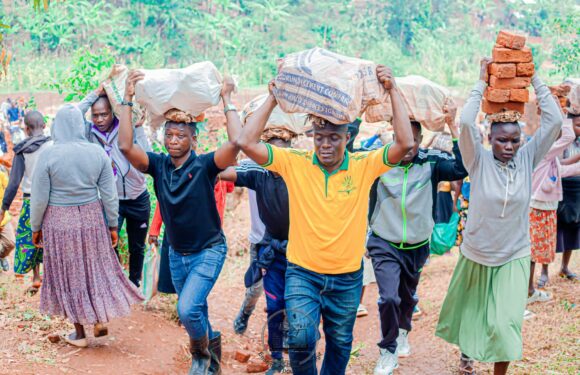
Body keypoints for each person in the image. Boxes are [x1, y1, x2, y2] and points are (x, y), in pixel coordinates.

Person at [236, 66, 414, 375]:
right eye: (320, 137)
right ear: (312, 138)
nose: (326, 144)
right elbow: (247, 144)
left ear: (347, 137)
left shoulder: (363, 166)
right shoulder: (296, 164)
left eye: (334, 137)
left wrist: (393, 90)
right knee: (302, 339)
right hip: (303, 273)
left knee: (340, 343)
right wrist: (272, 98)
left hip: (346, 278)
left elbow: (404, 144)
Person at [436, 59, 562, 375]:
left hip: (514, 254)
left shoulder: (528, 157)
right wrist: (480, 82)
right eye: (501, 140)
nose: (508, 146)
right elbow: (466, 123)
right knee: (474, 314)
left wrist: (536, 80)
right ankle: (467, 353)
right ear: (489, 138)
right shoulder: (476, 160)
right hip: (478, 253)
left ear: (522, 141)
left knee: (504, 323)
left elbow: (555, 121)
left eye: (514, 140)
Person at [119, 70, 241, 375]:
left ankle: (200, 357)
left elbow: (237, 143)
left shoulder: (204, 166)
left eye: (181, 135)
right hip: (178, 254)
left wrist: (226, 97)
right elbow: (125, 147)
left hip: (209, 251)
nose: (174, 140)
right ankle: (213, 356)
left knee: (187, 309)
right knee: (195, 309)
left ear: (193, 138)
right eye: (170, 135)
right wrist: (127, 98)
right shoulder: (158, 165)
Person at [30, 104, 143, 348]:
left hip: (59, 221)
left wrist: (35, 227)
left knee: (70, 274)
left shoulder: (48, 154)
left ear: (56, 126)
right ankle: (100, 318)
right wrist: (112, 224)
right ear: (81, 125)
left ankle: (79, 333)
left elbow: (39, 197)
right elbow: (109, 194)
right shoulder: (97, 152)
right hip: (92, 216)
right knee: (95, 268)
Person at [367, 112, 467, 375]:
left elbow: (463, 166)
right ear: (392, 136)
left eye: (414, 139)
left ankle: (403, 330)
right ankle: (387, 351)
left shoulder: (432, 162)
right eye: (402, 138)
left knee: (407, 296)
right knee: (388, 297)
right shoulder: (378, 161)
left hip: (417, 244)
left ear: (421, 139)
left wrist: (453, 128)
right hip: (384, 241)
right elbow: (349, 153)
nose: (408, 145)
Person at [220, 130, 294, 375]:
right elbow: (223, 171)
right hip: (269, 249)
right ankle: (276, 359)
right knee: (272, 303)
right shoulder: (257, 173)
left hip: (302, 252)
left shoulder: (303, 173)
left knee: (296, 303)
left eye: (283, 150)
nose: (276, 156)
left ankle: (297, 355)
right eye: (269, 151)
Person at [77, 85, 152, 287]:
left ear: (113, 112)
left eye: (104, 114)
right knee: (108, 243)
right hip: (110, 200)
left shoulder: (126, 127)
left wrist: (138, 127)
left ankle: (134, 283)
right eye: (95, 115)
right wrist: (94, 94)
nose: (100, 120)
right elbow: (72, 115)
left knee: (137, 246)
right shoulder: (88, 132)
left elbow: (148, 157)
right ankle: (116, 281)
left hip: (138, 198)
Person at [528, 117, 580, 302]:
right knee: (533, 251)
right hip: (538, 210)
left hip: (546, 209)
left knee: (537, 250)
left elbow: (566, 171)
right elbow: (568, 137)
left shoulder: (552, 160)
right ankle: (528, 291)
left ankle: (529, 290)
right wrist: (566, 115)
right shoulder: (544, 153)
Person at [0, 111, 52, 293]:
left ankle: (36, 276)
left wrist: (4, 207)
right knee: (51, 238)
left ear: (26, 129)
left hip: (31, 201)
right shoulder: (53, 145)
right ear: (44, 125)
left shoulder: (22, 150)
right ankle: (52, 277)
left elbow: (14, 183)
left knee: (31, 239)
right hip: (53, 200)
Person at [232, 186, 266, 334]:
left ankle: (284, 328)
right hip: (260, 241)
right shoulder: (253, 168)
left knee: (287, 290)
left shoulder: (291, 171)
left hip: (286, 243)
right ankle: (245, 313)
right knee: (255, 288)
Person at [556, 112, 580, 281]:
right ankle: (543, 270)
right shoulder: (560, 142)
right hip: (561, 187)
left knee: (573, 227)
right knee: (555, 229)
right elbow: (557, 165)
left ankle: (564, 266)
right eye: (578, 124)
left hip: (577, 188)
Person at [0, 165, 15, 272]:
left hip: (2, 216)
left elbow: (9, 189)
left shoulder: (1, 172)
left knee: (10, 243)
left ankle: (2, 256)